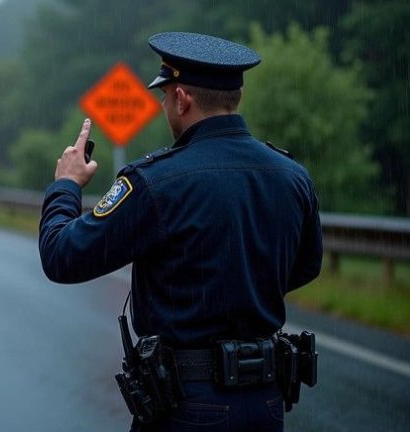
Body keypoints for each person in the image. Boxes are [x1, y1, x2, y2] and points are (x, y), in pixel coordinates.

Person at [38, 32, 322, 431]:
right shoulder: (292, 176)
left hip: (187, 406)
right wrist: (241, 287)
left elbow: (61, 257)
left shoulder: (156, 182)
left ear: (183, 98)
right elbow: (307, 266)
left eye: (165, 95)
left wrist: (66, 185)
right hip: (267, 404)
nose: (163, 104)